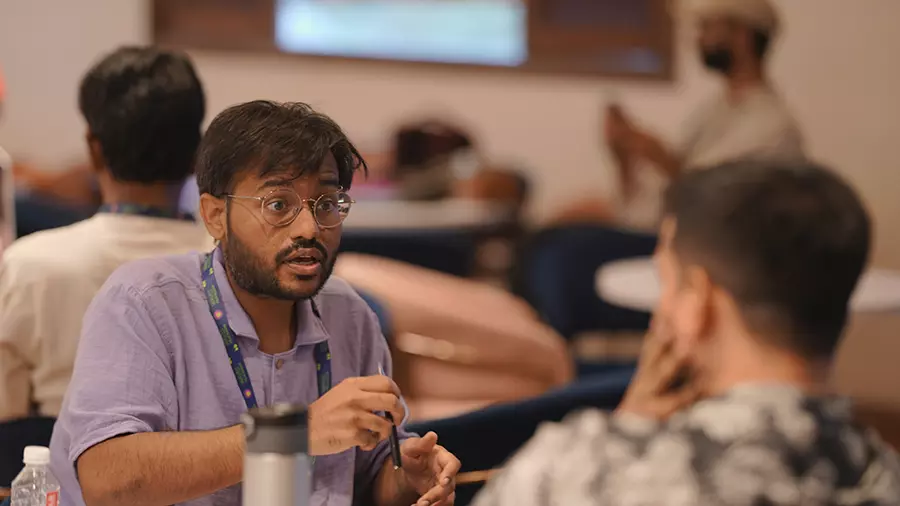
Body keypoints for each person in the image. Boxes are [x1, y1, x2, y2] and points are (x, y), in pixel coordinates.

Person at [49, 100, 461, 506]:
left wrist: (405, 479)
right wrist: (294, 434)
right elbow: (109, 481)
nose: (309, 228)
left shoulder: (349, 315)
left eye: (326, 204)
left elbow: (369, 475)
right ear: (215, 215)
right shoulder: (145, 302)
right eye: (278, 205)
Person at [473, 160, 900, 505]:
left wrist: (622, 427)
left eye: (667, 283)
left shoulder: (581, 470)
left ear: (700, 301)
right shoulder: (883, 476)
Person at [0, 46, 212, 422]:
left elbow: (6, 417)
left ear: (94, 151)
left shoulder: (30, 266)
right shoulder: (228, 266)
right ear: (197, 155)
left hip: (53, 458)